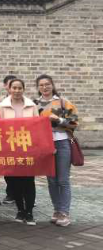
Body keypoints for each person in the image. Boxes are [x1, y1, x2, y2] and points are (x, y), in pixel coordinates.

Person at [35, 74, 79, 227]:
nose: (45, 87)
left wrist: (58, 120)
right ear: (38, 87)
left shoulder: (63, 102)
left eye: (47, 84)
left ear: (52, 85)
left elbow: (74, 122)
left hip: (62, 143)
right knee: (51, 180)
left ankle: (64, 212)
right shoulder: (35, 104)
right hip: (45, 145)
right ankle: (56, 210)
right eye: (41, 85)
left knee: (63, 180)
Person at [0, 78, 40, 225]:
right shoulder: (2, 106)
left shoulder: (31, 105)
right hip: (10, 149)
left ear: (23, 89)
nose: (16, 91)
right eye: (14, 88)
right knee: (14, 181)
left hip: (28, 148)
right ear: (9, 89)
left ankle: (29, 212)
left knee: (29, 181)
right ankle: (20, 210)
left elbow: (38, 127)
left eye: (19, 88)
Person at [1, 74, 17, 205]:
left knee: (25, 167)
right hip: (7, 139)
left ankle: (25, 194)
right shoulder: (1, 103)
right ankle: (11, 193)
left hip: (22, 139)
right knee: (9, 167)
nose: (14, 88)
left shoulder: (28, 103)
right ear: (6, 86)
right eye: (10, 85)